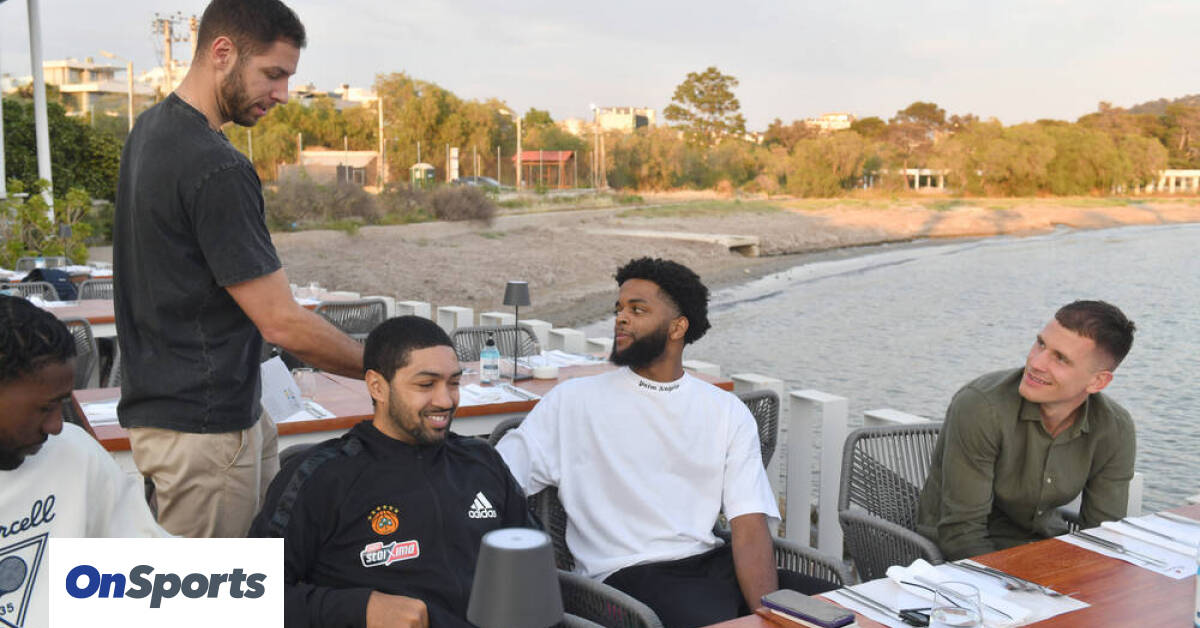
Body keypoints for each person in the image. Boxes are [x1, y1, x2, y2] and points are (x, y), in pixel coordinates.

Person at [112, 0, 364, 538]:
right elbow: (281, 322)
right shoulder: (216, 164)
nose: (283, 94)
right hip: (205, 430)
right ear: (222, 52)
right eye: (272, 74)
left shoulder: (150, 130)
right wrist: (382, 366)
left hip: (174, 412)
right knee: (210, 589)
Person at [497, 257, 792, 628]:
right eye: (619, 309)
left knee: (829, 604)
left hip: (711, 564)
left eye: (637, 310)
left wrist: (771, 613)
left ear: (677, 327)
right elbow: (497, 479)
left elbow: (748, 527)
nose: (621, 318)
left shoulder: (725, 410)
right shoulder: (572, 401)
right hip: (628, 577)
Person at [250, 316, 532, 628]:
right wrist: (360, 609)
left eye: (453, 383)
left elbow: (533, 570)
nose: (445, 400)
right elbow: (240, 597)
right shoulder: (321, 476)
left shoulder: (481, 462)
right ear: (377, 386)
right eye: (426, 384)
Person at [917, 300, 1137, 560]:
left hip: (1043, 553)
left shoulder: (1115, 429)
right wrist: (1017, 582)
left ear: (1097, 381)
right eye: (1041, 344)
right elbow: (962, 534)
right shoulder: (981, 407)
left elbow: (1102, 535)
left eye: (1061, 359)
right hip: (953, 561)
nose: (1036, 362)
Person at [0, 296, 167, 628]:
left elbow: (153, 564)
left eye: (62, 404)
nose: (56, 426)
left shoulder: (75, 453)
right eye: (44, 408)